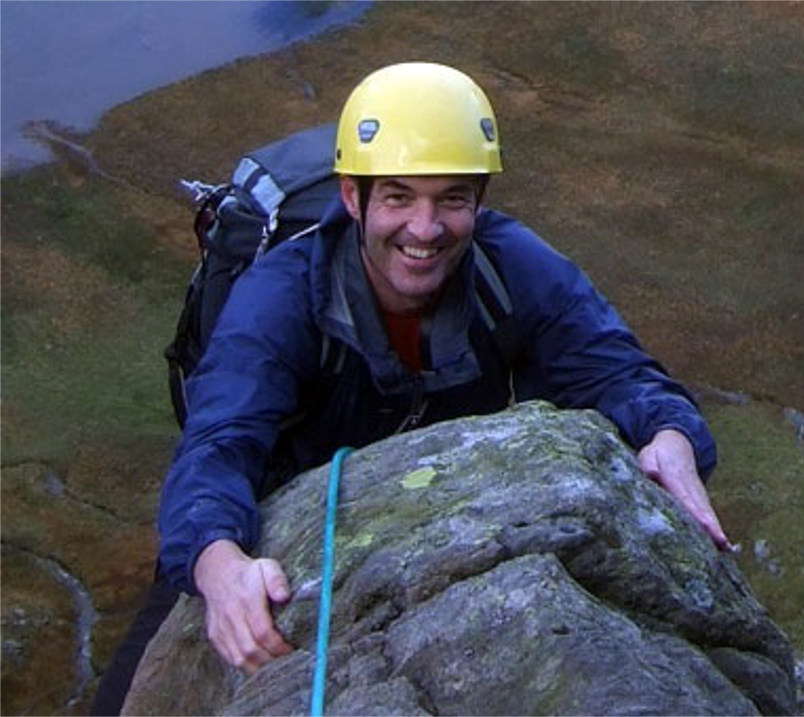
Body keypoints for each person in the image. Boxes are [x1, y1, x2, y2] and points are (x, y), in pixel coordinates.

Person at [93, 61, 728, 711]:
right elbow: (217, 442)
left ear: (478, 201)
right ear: (352, 197)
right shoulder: (280, 297)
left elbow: (618, 368)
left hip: (432, 522)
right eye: (398, 196)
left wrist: (669, 434)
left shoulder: (510, 267)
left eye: (451, 198)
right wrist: (219, 564)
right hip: (271, 523)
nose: (424, 230)